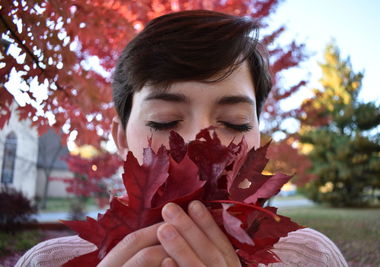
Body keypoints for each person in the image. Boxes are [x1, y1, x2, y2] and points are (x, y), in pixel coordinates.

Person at [16, 10, 348, 267]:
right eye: (166, 121)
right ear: (120, 138)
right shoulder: (48, 262)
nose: (197, 141)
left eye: (236, 123)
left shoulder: (310, 257)